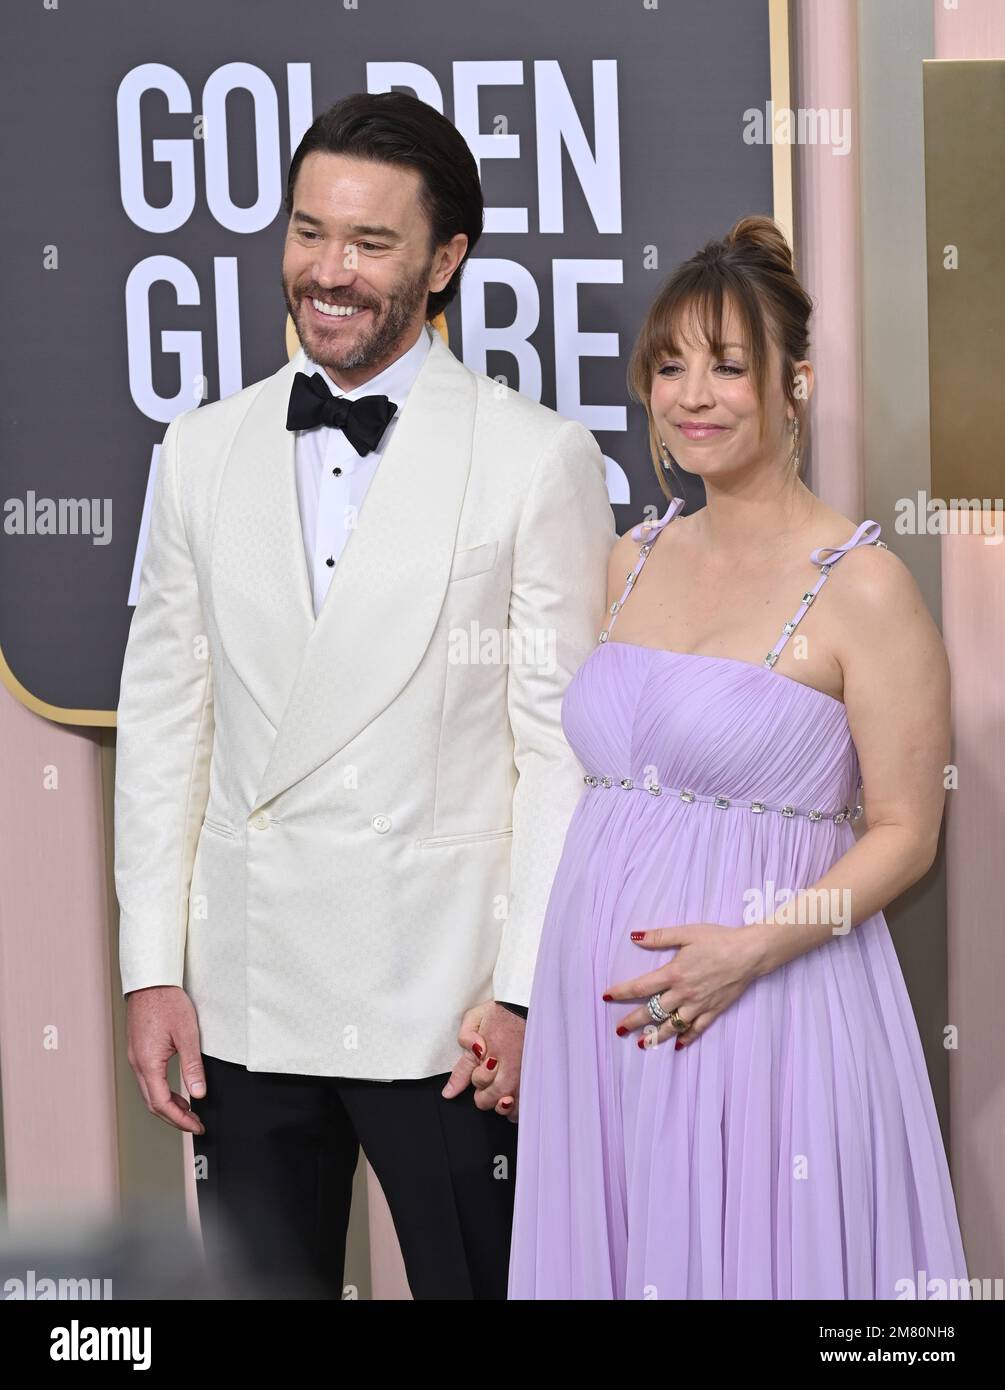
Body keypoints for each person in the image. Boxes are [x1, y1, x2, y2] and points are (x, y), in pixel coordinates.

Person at [114, 90, 615, 1301]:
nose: (327, 273)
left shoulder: (534, 457)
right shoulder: (197, 450)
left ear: (446, 260)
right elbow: (169, 721)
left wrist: (522, 987)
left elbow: (560, 746)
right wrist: (150, 965)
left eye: (370, 243)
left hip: (445, 1015)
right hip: (247, 989)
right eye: (308, 232)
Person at [507, 215, 970, 1299]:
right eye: (670, 366)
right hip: (603, 1022)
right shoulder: (633, 553)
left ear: (793, 384)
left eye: (727, 365)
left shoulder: (864, 586)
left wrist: (748, 951)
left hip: (768, 1011)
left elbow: (908, 831)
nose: (693, 394)